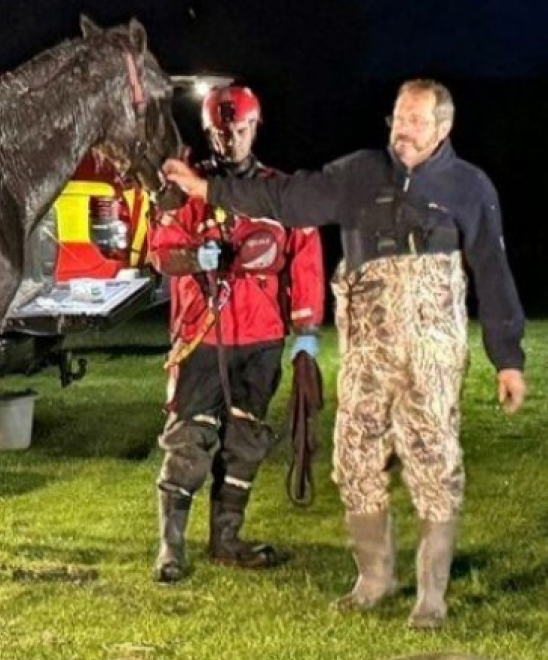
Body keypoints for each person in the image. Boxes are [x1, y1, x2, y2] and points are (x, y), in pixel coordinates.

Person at [163, 79, 527, 628]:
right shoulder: (358, 174)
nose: (402, 132)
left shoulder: (470, 188)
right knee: (354, 460)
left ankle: (431, 594)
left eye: (416, 123)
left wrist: (508, 358)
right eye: (398, 120)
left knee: (435, 463)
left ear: (443, 129)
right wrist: (206, 191)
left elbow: (493, 273)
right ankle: (374, 578)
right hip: (366, 355)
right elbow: (284, 200)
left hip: (431, 354)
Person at [147, 85, 324, 583]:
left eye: (241, 131)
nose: (231, 142)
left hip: (261, 340)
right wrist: (192, 258)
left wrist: (306, 333)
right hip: (202, 338)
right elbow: (159, 250)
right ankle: (170, 547)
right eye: (222, 134)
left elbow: (304, 262)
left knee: (245, 441)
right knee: (189, 443)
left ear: (255, 128)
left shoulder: (281, 194)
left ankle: (226, 540)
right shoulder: (185, 190)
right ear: (210, 133)